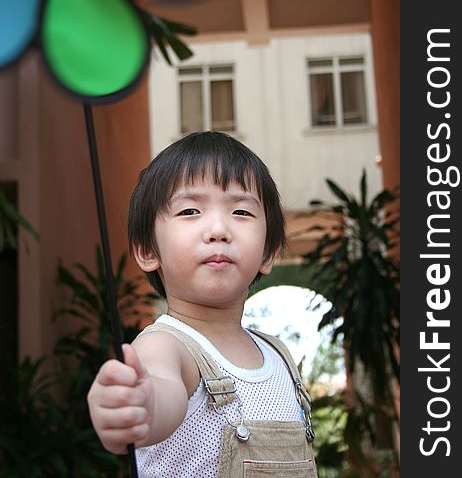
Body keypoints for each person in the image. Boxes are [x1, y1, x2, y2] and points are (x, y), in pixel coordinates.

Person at [87, 131, 317, 477]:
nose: (218, 229)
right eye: (190, 210)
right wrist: (142, 404)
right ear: (148, 251)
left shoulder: (278, 355)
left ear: (268, 253)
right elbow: (162, 388)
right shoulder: (167, 346)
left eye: (241, 211)